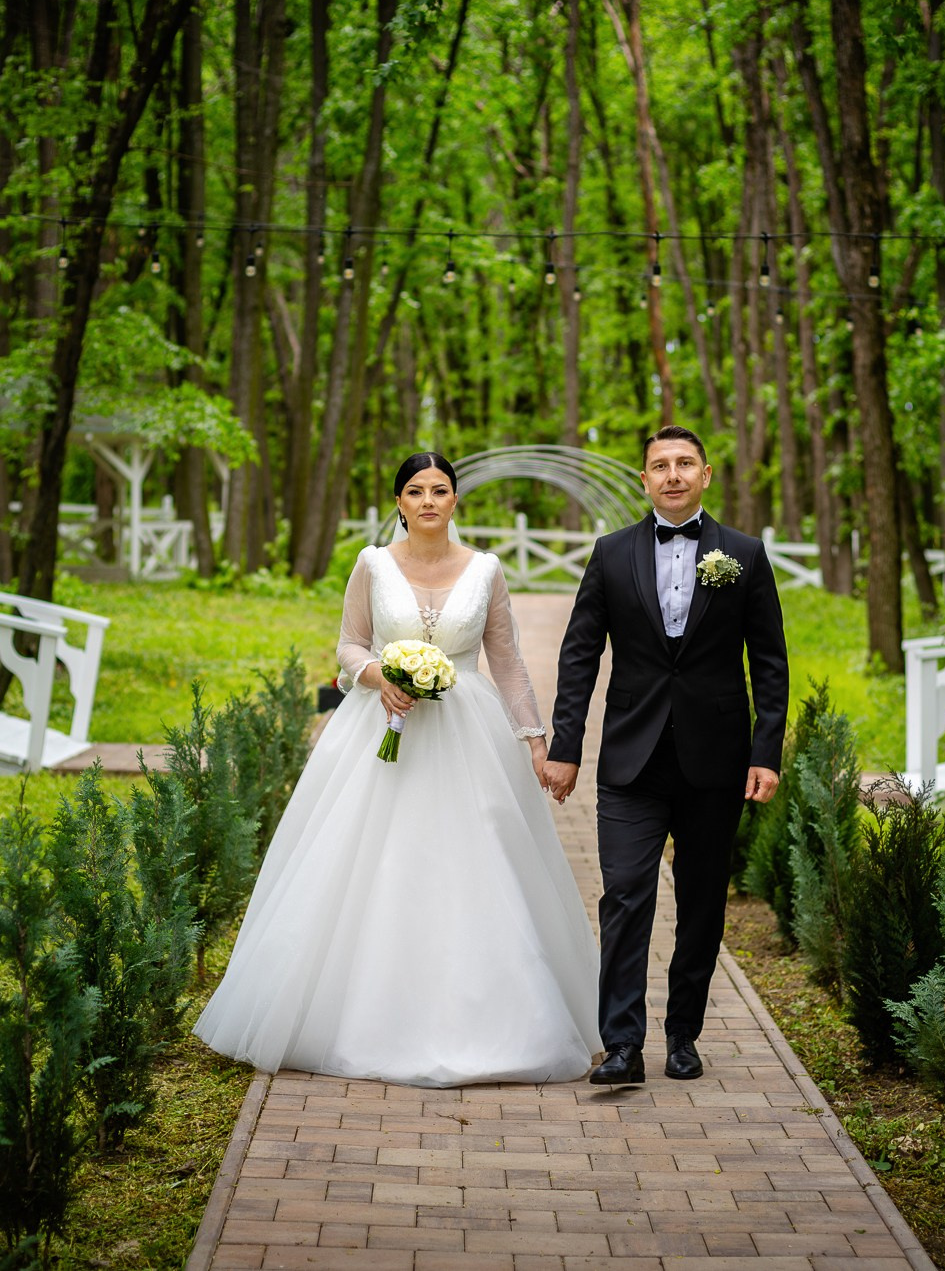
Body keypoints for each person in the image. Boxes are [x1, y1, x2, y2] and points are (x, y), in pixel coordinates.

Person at [194, 453, 601, 1087]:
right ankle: (352, 1016)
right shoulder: (372, 564)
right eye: (416, 491)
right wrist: (379, 674)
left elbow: (509, 662)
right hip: (378, 732)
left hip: (469, 734)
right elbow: (348, 643)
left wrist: (536, 743)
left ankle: (492, 1022)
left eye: (441, 490)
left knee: (476, 864)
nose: (429, 501)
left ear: (456, 500)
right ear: (400, 501)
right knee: (366, 862)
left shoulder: (487, 570)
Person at [542, 425, 790, 1085]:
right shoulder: (611, 553)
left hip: (717, 760)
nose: (673, 474)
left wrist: (766, 751)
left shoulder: (745, 554)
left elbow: (768, 661)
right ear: (644, 478)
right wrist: (565, 747)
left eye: (684, 463)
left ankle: (684, 1033)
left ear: (706, 474)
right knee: (625, 895)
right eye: (660, 465)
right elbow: (578, 654)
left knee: (703, 901)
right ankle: (622, 1044)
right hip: (631, 759)